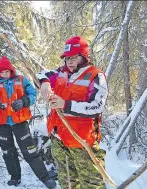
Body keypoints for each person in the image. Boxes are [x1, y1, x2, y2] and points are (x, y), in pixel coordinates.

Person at [36, 36, 108, 189]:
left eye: (74, 57)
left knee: (92, 185)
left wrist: (65, 105)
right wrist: (45, 84)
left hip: (83, 142)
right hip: (59, 139)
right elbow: (42, 74)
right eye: (67, 58)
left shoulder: (95, 76)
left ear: (84, 56)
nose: (69, 61)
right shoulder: (61, 72)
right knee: (68, 182)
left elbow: (97, 107)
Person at [0, 56, 56, 188]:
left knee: (30, 151)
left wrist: (23, 101)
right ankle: (15, 177)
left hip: (20, 122)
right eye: (2, 72)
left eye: (7, 71)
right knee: (8, 151)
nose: (5, 74)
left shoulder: (21, 80)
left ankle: (45, 178)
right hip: (2, 124)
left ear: (11, 70)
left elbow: (33, 94)